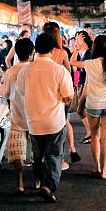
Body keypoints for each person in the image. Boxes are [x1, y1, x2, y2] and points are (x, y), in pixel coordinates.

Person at [16, 33, 74, 203]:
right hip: (54, 121)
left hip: (33, 121)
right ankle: (49, 186)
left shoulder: (25, 70)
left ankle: (39, 180)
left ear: (35, 49)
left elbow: (20, 92)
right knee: (54, 155)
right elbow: (69, 95)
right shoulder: (59, 70)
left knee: (38, 154)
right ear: (53, 49)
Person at [71, 35, 106, 180]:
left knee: (95, 136)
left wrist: (77, 48)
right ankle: (105, 171)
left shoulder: (90, 63)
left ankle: (97, 167)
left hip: (93, 104)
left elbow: (72, 62)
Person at [0, 38, 36, 195]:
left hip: (16, 117)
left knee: (17, 153)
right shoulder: (34, 69)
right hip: (35, 119)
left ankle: (20, 183)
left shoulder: (10, 71)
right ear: (32, 52)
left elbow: (3, 94)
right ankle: (37, 181)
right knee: (37, 153)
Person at [43, 22, 78, 170]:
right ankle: (65, 155)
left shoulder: (39, 53)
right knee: (62, 124)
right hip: (60, 94)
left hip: (44, 93)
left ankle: (45, 158)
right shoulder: (62, 53)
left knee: (45, 128)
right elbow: (69, 73)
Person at [73, 30, 93, 144]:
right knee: (81, 110)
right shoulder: (84, 54)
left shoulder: (88, 54)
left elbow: (89, 73)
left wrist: (84, 89)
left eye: (77, 38)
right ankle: (90, 132)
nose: (76, 41)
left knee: (81, 109)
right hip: (85, 87)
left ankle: (91, 133)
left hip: (89, 88)